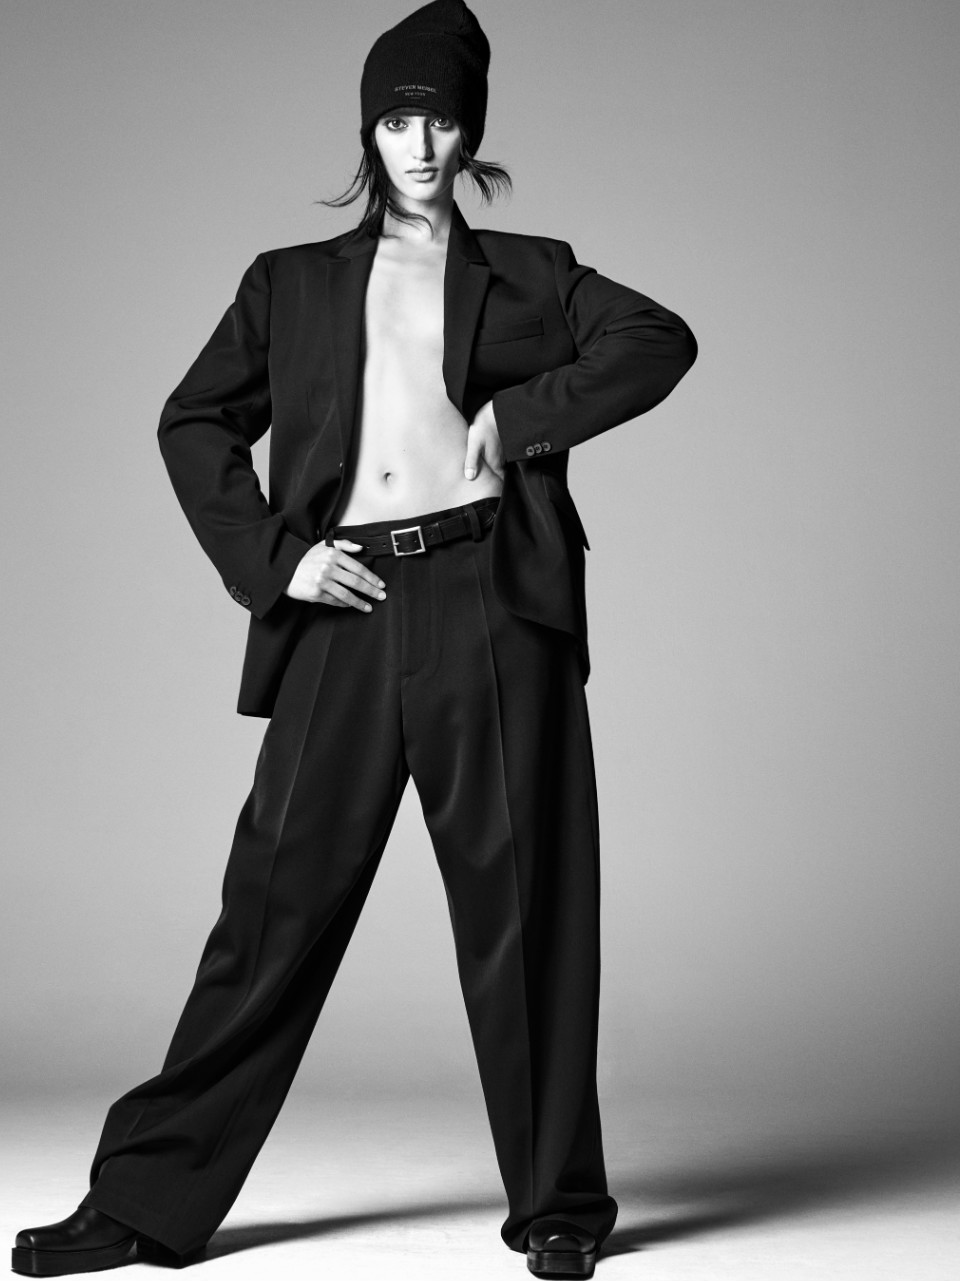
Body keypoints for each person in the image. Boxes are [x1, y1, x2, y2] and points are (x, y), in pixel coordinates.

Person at [12, 2, 696, 1277]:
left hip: (492, 602)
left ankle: (558, 1208)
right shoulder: (290, 282)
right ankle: (147, 1199)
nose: (419, 144)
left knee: (529, 908)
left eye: (439, 120)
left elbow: (658, 340)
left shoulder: (534, 273)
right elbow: (193, 422)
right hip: (346, 606)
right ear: (368, 133)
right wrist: (279, 561)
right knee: (272, 908)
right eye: (395, 120)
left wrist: (521, 419)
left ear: (470, 132)